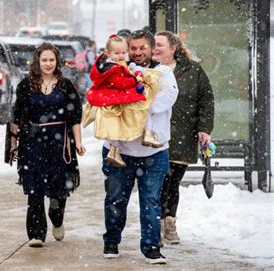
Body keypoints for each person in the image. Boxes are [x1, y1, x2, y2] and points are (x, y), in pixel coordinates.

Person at [101, 30, 178, 264]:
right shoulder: (116, 71)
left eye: (142, 48)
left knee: (150, 200)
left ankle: (152, 246)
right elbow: (103, 98)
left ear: (151, 48)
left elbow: (168, 97)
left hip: (154, 152)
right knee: (115, 199)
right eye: (133, 48)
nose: (137, 53)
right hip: (119, 150)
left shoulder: (163, 72)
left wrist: (139, 104)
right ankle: (112, 240)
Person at [10, 42, 86, 247]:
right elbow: (16, 116)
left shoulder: (66, 86)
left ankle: (57, 217)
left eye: (51, 60)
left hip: (60, 143)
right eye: (44, 60)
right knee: (34, 189)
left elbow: (75, 117)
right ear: (38, 61)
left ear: (57, 61)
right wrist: (12, 143)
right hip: (32, 143)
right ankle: (36, 234)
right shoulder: (26, 85)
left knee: (58, 190)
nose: (48, 63)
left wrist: (78, 142)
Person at [153, 31, 214, 245]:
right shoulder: (148, 70)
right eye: (154, 44)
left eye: (160, 44)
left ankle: (168, 223)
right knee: (159, 180)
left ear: (173, 48)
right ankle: (157, 224)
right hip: (155, 135)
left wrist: (204, 128)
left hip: (182, 135)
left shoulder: (193, 70)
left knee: (172, 181)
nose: (156, 48)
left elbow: (206, 99)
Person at [83, 34, 163, 167]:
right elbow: (120, 82)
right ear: (108, 53)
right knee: (138, 108)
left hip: (115, 95)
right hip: (117, 95)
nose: (121, 55)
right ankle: (117, 148)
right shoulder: (112, 67)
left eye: (123, 52)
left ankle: (132, 141)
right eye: (117, 53)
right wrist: (135, 79)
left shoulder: (114, 64)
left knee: (134, 112)